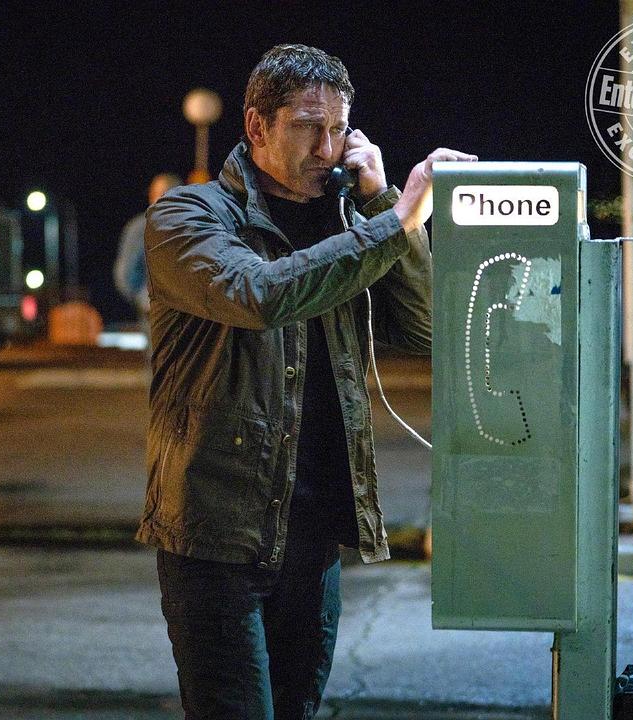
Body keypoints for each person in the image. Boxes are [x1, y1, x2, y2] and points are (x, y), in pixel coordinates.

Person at [136, 44, 476, 719]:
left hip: (314, 539)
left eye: (339, 129)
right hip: (216, 539)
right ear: (257, 126)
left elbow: (427, 329)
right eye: (307, 126)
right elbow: (259, 293)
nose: (326, 148)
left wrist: (382, 202)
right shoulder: (187, 217)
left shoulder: (350, 222)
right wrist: (398, 222)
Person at [114, 173, 182, 333]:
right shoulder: (142, 228)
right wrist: (146, 300)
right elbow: (125, 275)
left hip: (181, 314)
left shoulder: (187, 226)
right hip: (161, 314)